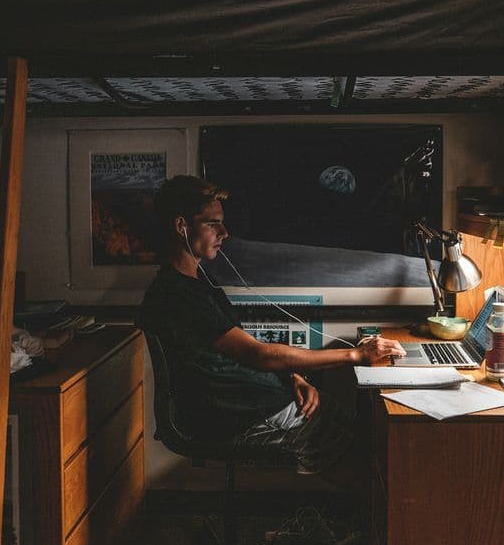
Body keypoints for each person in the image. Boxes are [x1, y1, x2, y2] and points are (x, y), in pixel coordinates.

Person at [136, 175, 406, 476]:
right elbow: (257, 354)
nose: (224, 233)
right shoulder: (175, 295)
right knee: (363, 454)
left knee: (349, 425)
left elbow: (244, 351)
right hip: (233, 414)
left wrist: (293, 377)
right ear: (181, 226)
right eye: (213, 224)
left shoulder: (200, 282)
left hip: (251, 399)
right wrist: (355, 355)